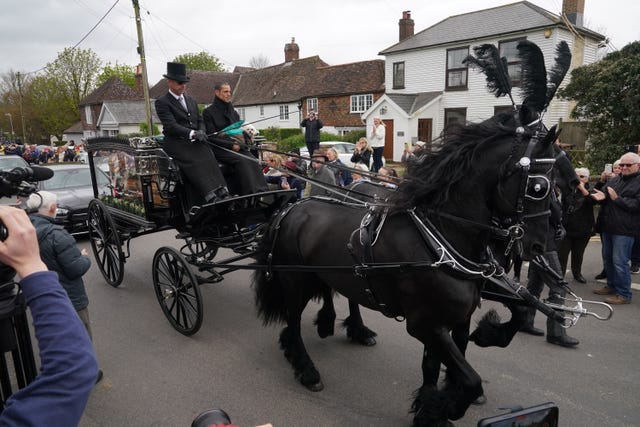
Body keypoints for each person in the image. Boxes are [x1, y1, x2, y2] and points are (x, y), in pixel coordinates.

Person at [0, 205, 98, 425]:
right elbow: (74, 368)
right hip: (66, 296)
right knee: (82, 332)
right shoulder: (56, 235)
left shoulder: (36, 232)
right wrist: (30, 265)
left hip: (50, 294)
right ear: (53, 208)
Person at [155, 62, 229, 204]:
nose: (183, 85)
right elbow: (171, 126)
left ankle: (222, 189)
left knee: (207, 152)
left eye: (185, 83)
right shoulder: (162, 102)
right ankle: (208, 194)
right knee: (195, 156)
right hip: (175, 142)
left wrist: (201, 130)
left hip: (193, 140)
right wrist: (192, 133)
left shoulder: (191, 100)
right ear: (169, 82)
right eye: (179, 82)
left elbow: (199, 119)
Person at [520, 191, 580, 347]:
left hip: (540, 241)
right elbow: (553, 212)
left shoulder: (544, 184)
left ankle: (524, 321)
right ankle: (556, 333)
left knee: (534, 285)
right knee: (558, 287)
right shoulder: (542, 185)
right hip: (543, 243)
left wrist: (559, 226)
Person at [590, 151, 640, 304]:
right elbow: (605, 195)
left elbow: (636, 205)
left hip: (625, 230)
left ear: (638, 165)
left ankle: (624, 294)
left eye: (627, 165)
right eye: (622, 165)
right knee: (608, 259)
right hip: (608, 227)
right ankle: (611, 286)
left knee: (620, 261)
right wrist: (602, 197)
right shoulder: (615, 180)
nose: (624, 167)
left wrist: (616, 199)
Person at [202, 82, 268, 196]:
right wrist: (231, 145)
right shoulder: (208, 112)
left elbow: (240, 130)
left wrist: (247, 139)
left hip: (237, 146)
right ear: (217, 92)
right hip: (220, 148)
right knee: (242, 160)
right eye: (225, 92)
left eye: (229, 91)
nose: (229, 94)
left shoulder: (234, 112)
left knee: (254, 159)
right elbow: (211, 136)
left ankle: (262, 191)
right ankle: (250, 193)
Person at [557, 167, 596, 283]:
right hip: (567, 227)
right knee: (562, 255)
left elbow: (592, 202)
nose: (578, 179)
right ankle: (560, 276)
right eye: (576, 176)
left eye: (582, 177)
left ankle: (577, 273)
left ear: (587, 179)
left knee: (578, 254)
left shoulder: (592, 190)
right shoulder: (567, 189)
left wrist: (583, 189)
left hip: (583, 228)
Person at [593, 159, 622, 280]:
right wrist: (602, 180)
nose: (617, 169)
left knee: (619, 258)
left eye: (619, 167)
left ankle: (619, 286)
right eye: (614, 167)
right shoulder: (609, 181)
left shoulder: (626, 182)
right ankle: (607, 272)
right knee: (607, 253)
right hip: (605, 220)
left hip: (620, 224)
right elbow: (597, 193)